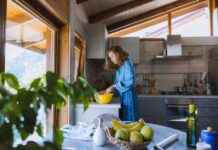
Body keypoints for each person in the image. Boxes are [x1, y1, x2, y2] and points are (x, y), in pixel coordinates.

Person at [103, 46, 139, 121]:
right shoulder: (119, 67)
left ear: (118, 54)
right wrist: (111, 91)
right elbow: (117, 84)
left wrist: (113, 86)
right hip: (122, 96)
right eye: (110, 58)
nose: (111, 59)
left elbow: (131, 81)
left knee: (130, 119)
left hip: (129, 96)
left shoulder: (127, 64)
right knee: (124, 119)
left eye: (112, 56)